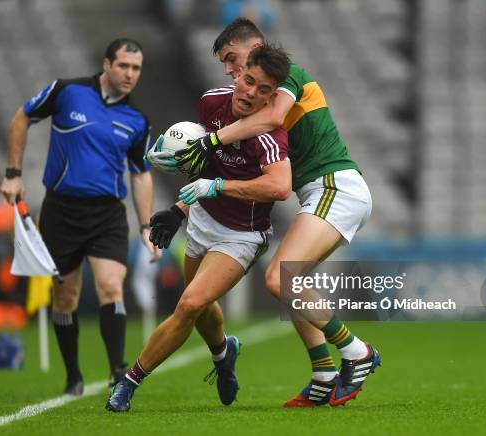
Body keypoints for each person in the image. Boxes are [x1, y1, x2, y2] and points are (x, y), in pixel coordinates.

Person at [148, 18, 380, 408]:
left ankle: (357, 352)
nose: (230, 71)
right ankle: (324, 374)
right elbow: (223, 163)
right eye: (227, 65)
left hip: (334, 187)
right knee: (291, 282)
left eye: (232, 59)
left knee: (279, 277)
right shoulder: (251, 100)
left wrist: (210, 140)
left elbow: (271, 120)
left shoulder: (286, 78)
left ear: (255, 49)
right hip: (321, 192)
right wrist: (181, 195)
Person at [106, 44, 292, 412]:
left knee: (189, 303)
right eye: (249, 81)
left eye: (264, 90)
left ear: (273, 95)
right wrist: (179, 207)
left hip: (241, 235)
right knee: (202, 305)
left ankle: (128, 383)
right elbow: (207, 161)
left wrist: (219, 187)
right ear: (239, 74)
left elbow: (280, 187)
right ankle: (224, 353)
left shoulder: (271, 135)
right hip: (203, 218)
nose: (252, 93)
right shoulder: (211, 103)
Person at [0, 38, 161, 395]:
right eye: (123, 66)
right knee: (66, 298)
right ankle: (73, 376)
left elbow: (140, 173)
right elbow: (23, 116)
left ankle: (118, 370)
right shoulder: (67, 91)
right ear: (106, 64)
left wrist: (147, 226)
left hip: (108, 214)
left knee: (110, 286)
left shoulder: (137, 120)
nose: (130, 74)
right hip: (61, 211)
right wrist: (13, 173)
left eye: (136, 68)